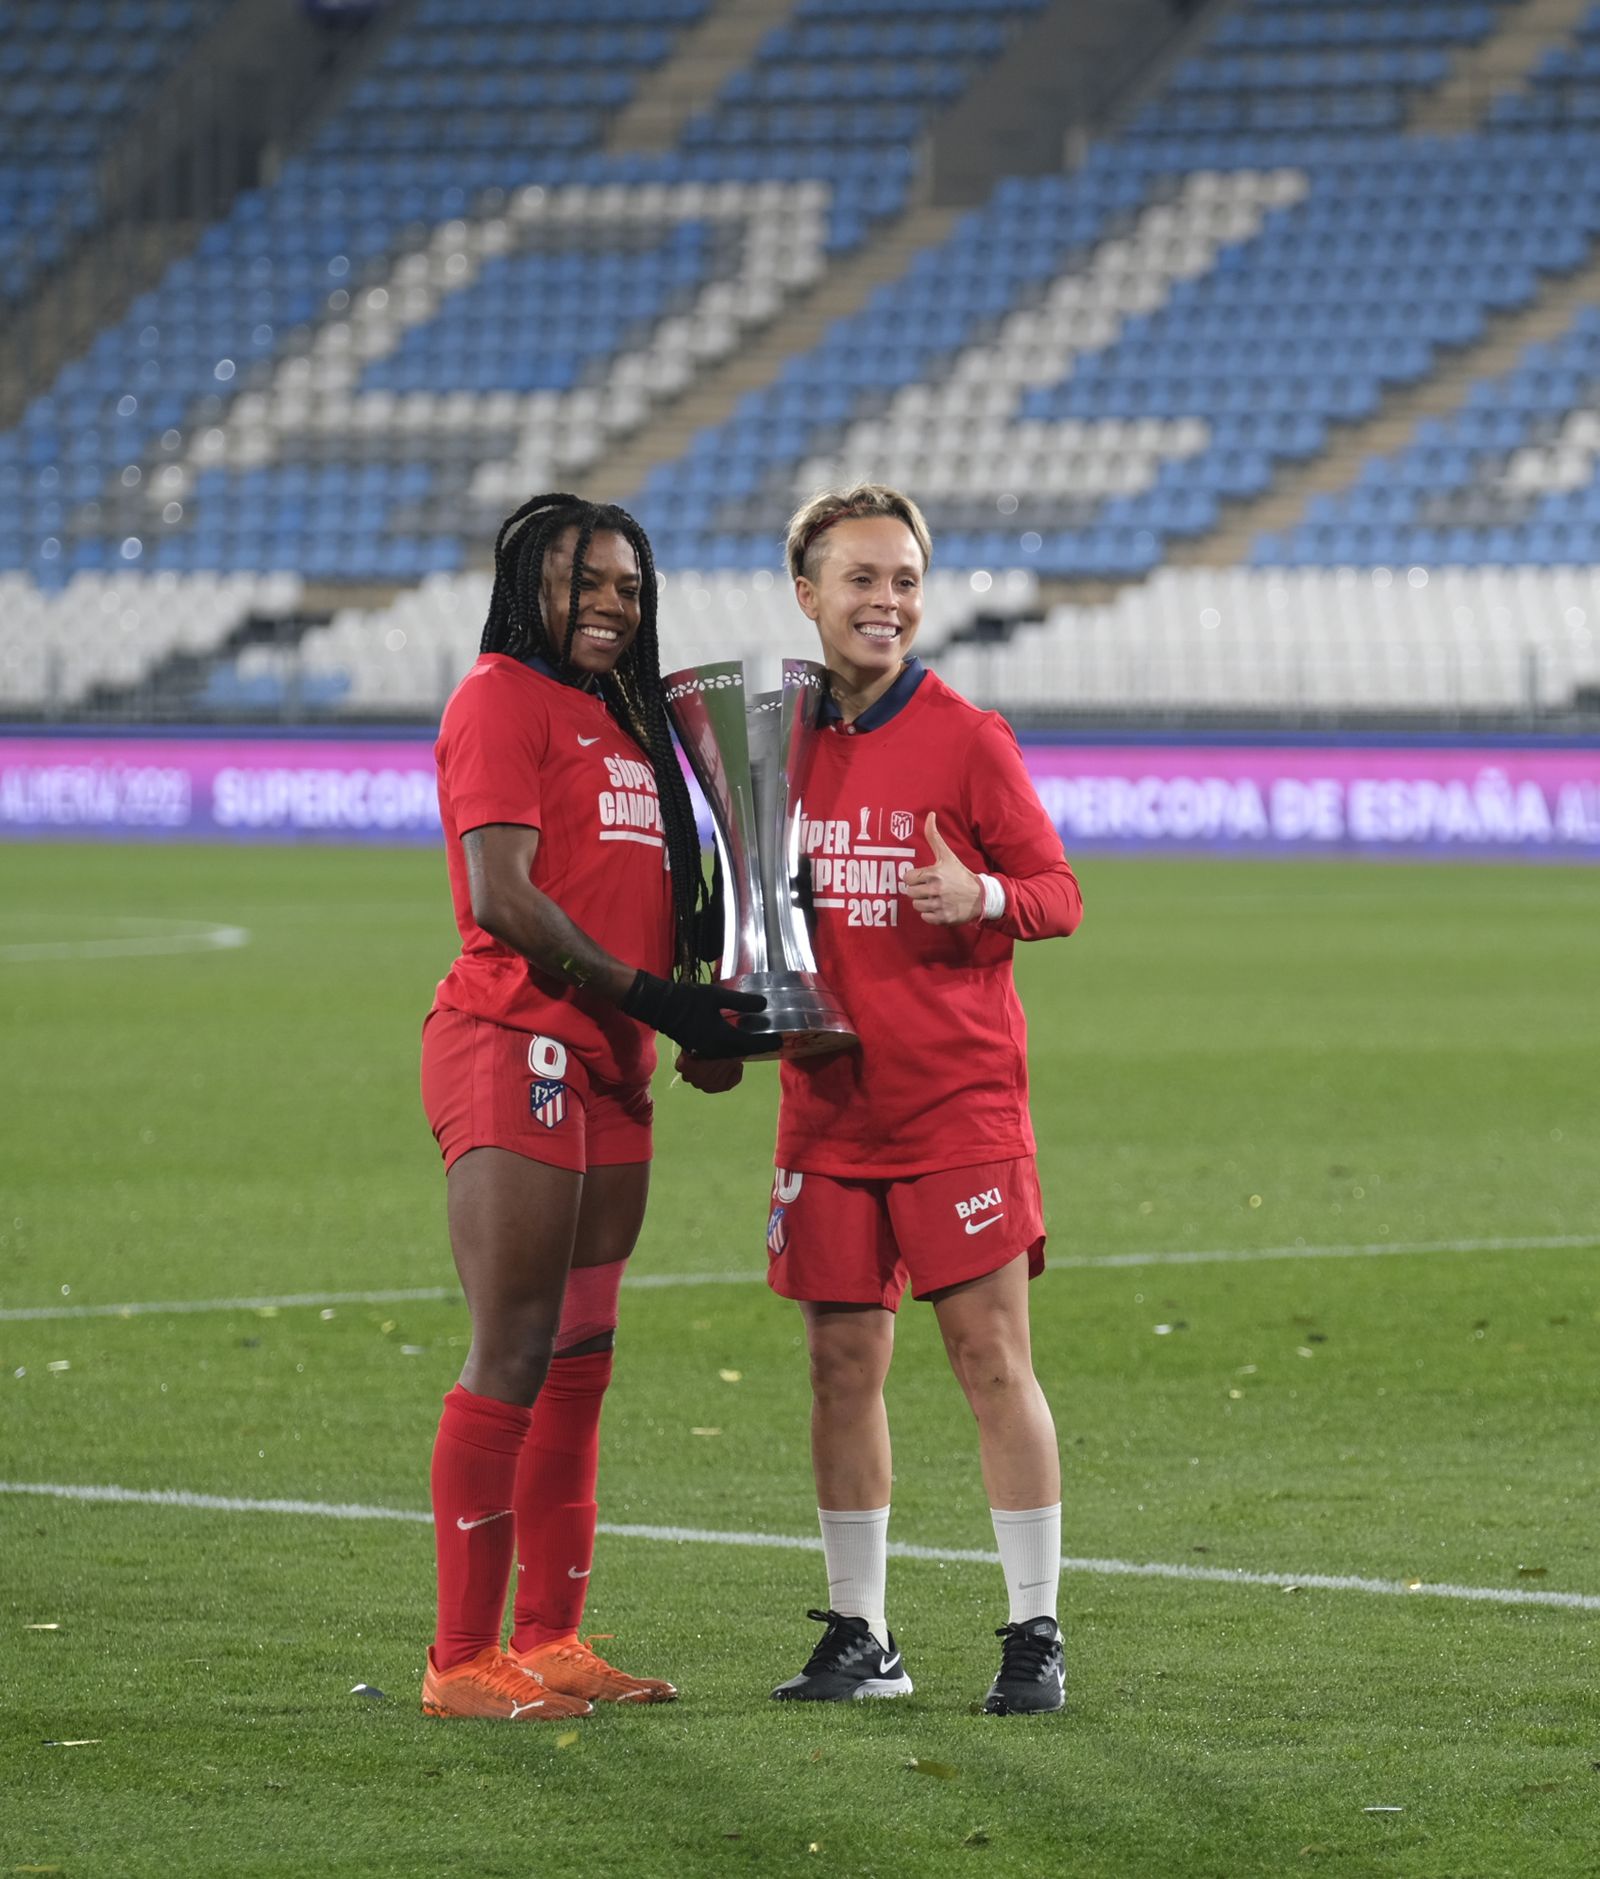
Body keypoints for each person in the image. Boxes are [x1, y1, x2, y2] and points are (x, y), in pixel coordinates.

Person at [682, 484, 1083, 1715]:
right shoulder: (772, 747)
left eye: (904, 579)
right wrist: (722, 1019)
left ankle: (1033, 1631)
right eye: (861, 579)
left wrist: (987, 901)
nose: (887, 601)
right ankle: (863, 1634)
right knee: (839, 1366)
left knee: (988, 1358)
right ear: (807, 594)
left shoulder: (967, 735)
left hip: (955, 1108)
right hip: (824, 1108)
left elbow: (1058, 890)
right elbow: (759, 916)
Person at [418, 491, 766, 1721]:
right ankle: (461, 1660)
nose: (611, 604)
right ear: (528, 587)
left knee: (580, 1360)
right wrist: (651, 998)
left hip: (613, 1065)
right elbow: (503, 895)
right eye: (584, 581)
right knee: (513, 1347)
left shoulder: (623, 730)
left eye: (628, 585)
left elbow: (651, 899)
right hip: (513, 1040)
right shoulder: (499, 699)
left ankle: (551, 1638)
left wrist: (710, 1016)